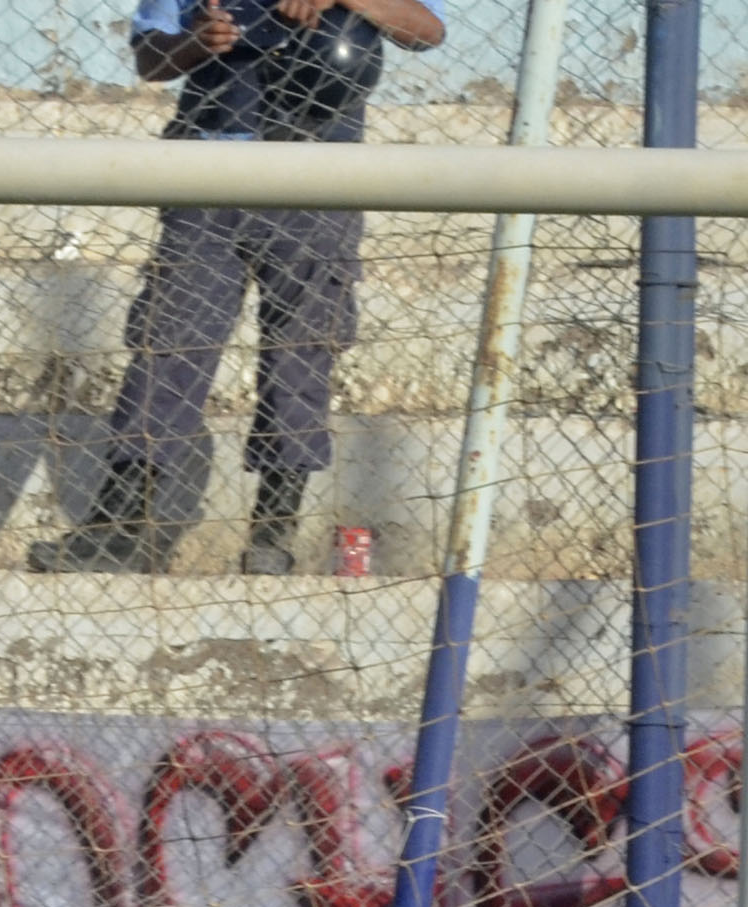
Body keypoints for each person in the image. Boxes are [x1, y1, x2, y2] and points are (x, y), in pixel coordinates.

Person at [28, 0, 445, 577]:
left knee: (301, 352)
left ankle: (273, 531)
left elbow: (426, 30)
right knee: (169, 342)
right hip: (212, 164)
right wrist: (197, 42)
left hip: (318, 170)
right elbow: (152, 61)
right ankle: (117, 528)